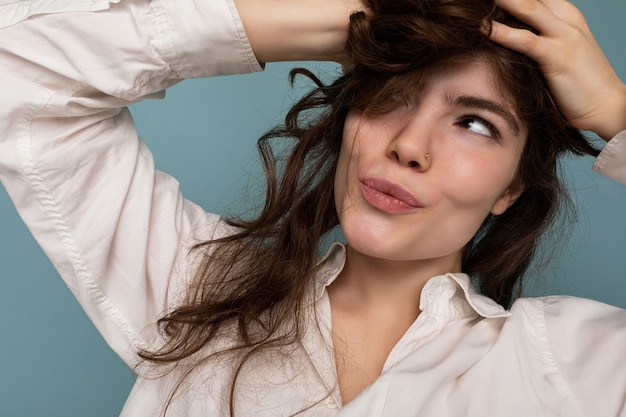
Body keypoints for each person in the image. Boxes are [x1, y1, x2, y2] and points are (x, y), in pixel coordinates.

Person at [0, 0, 625, 416]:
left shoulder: (574, 362)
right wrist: (353, 18)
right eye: (392, 96)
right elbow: (19, 71)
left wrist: (617, 111)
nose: (408, 145)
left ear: (512, 188)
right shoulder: (195, 286)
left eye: (474, 123)